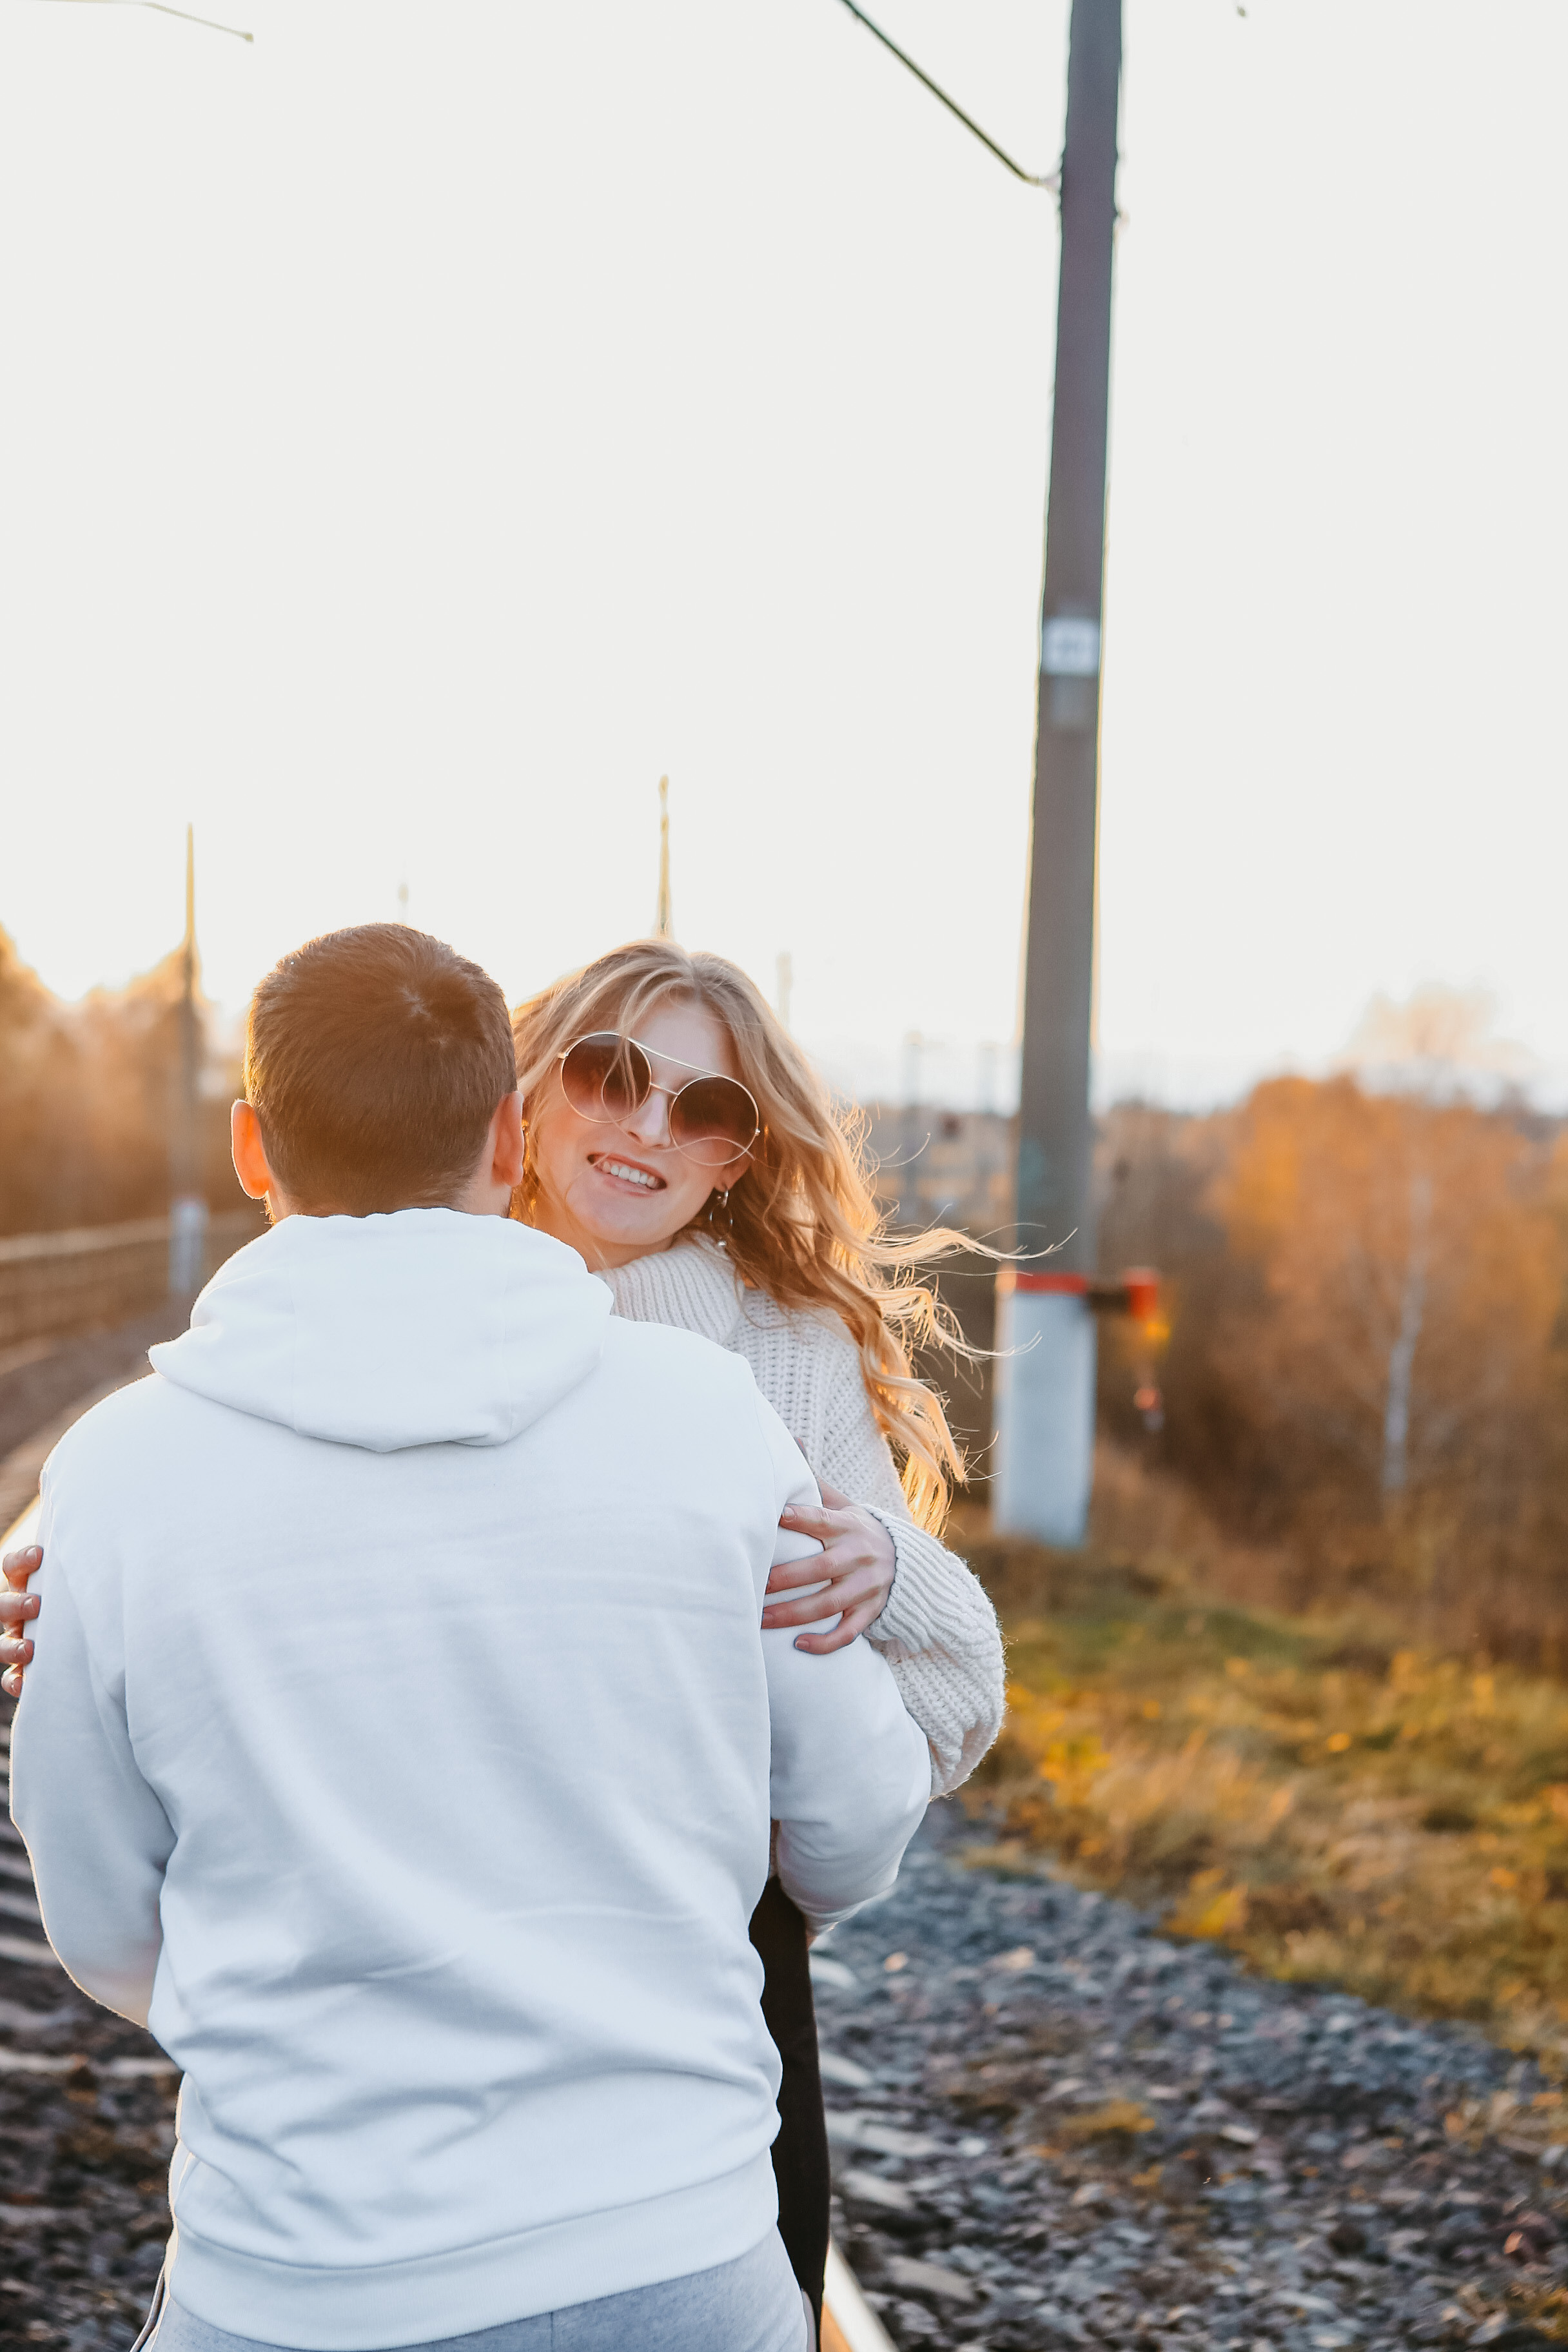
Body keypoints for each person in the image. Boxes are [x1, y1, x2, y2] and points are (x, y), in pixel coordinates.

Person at [2, 932, 1007, 2330]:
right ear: (508, 1118)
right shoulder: (704, 1430)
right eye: (610, 1076)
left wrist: (319, 1984)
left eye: (704, 1109)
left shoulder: (125, 1471)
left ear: (253, 1149)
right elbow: (853, 1813)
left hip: (300, 2263)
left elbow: (107, 1926)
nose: (649, 1125)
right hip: (667, 2229)